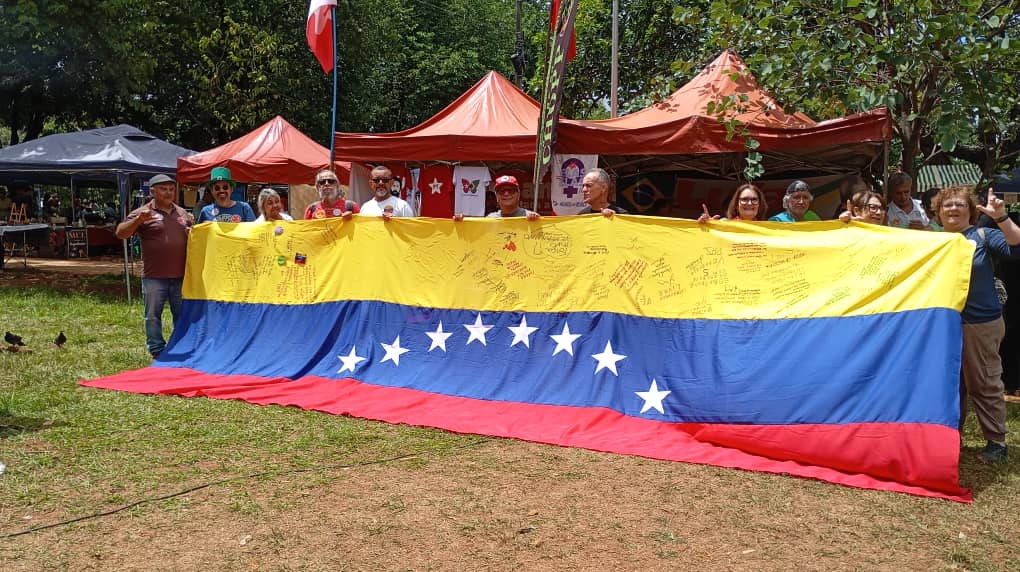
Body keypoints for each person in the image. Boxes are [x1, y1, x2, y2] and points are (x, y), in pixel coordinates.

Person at [934, 185, 1020, 463]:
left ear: (970, 210)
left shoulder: (983, 235)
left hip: (980, 322)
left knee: (983, 381)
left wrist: (1001, 217)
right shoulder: (930, 240)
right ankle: (951, 437)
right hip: (942, 325)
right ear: (938, 212)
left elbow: (1016, 246)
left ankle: (996, 442)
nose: (953, 209)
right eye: (947, 205)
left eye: (960, 204)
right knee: (949, 383)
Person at [115, 174, 191, 359]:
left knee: (182, 314)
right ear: (152, 191)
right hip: (154, 275)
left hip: (181, 275)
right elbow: (120, 233)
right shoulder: (143, 212)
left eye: (171, 189)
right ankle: (156, 348)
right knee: (152, 315)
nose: (168, 193)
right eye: (163, 189)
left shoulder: (183, 213)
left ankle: (181, 344)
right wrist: (138, 220)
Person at [698, 183, 768, 223]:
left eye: (754, 199)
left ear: (759, 205)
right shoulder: (724, 224)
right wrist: (709, 228)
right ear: (736, 205)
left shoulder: (768, 230)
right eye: (744, 199)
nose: (749, 203)